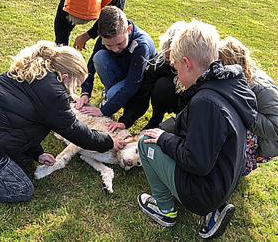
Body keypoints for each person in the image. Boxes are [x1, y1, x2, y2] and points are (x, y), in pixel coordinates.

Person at [0, 41, 125, 207]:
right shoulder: (54, 94)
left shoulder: (32, 72)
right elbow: (76, 131)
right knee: (20, 188)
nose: (74, 90)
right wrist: (109, 142)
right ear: (65, 76)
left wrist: (37, 153)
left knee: (24, 161)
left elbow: (21, 122)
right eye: (76, 83)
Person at [137, 21, 257, 239]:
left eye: (176, 69)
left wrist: (164, 138)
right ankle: (214, 207)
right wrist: (166, 129)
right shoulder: (231, 81)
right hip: (226, 180)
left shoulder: (205, 103)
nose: (176, 76)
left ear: (186, 63)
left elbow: (196, 162)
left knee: (145, 143)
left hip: (204, 193)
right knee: (163, 131)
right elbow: (195, 126)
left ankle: (164, 210)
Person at [75, 6, 156, 118]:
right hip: (122, 72)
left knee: (113, 94)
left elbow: (132, 84)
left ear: (128, 30)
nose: (115, 49)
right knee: (99, 57)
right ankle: (111, 96)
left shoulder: (141, 46)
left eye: (119, 43)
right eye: (109, 45)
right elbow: (90, 67)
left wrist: (104, 111)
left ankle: (110, 97)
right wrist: (85, 92)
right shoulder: (104, 38)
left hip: (138, 81)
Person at [108, 21, 189, 132]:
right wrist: (125, 120)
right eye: (167, 55)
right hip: (172, 96)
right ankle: (156, 120)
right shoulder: (158, 64)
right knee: (162, 85)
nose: (171, 62)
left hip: (191, 112)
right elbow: (142, 95)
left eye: (174, 58)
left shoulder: (200, 74)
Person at [219, 36, 278, 175]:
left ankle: (242, 166)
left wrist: (246, 111)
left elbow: (276, 129)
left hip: (267, 141)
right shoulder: (240, 81)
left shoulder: (261, 89)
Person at [54, 0, 127, 49]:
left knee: (110, 33)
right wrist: (60, 45)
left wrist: (88, 35)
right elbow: (61, 19)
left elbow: (111, 20)